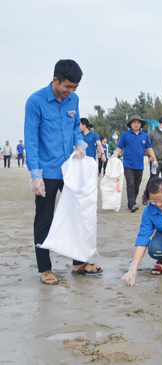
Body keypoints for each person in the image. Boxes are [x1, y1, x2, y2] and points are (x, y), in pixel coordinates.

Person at [24, 59, 103, 284]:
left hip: (70, 168)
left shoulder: (73, 99)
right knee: (44, 219)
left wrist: (79, 143)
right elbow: (31, 140)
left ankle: (79, 262)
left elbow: (76, 124)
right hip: (47, 171)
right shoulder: (35, 101)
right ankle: (45, 268)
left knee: (78, 215)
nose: (71, 92)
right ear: (55, 80)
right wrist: (35, 175)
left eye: (75, 88)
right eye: (67, 87)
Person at [111, 115, 157, 212]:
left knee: (136, 185)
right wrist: (115, 155)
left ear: (141, 124)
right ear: (131, 124)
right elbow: (119, 147)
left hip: (139, 165)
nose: (136, 124)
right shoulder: (125, 135)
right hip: (128, 164)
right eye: (134, 122)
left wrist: (154, 159)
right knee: (130, 183)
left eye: (138, 122)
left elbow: (149, 148)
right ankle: (132, 204)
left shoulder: (145, 136)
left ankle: (131, 202)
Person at [142, 117, 162, 205]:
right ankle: (145, 196)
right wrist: (149, 156)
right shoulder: (151, 134)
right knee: (153, 180)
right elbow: (146, 146)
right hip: (155, 161)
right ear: (159, 124)